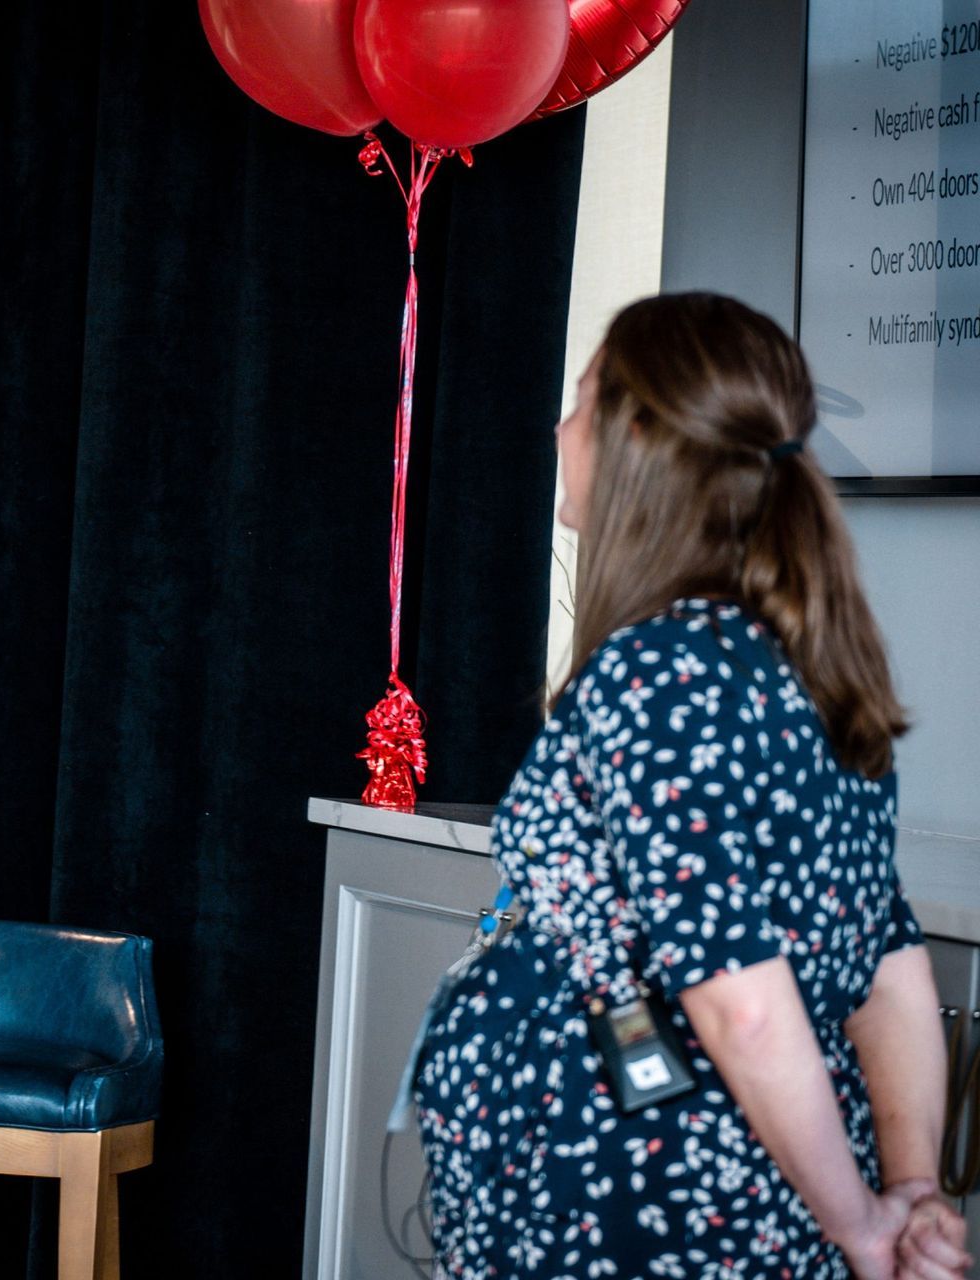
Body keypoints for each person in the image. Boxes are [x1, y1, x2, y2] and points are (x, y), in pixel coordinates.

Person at [412, 293, 971, 1279]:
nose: (558, 428)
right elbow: (889, 965)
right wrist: (910, 1187)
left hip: (636, 1203)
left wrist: (861, 1223)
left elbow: (740, 1000)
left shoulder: (656, 671)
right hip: (754, 1196)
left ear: (634, 438)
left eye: (582, 400)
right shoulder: (821, 668)